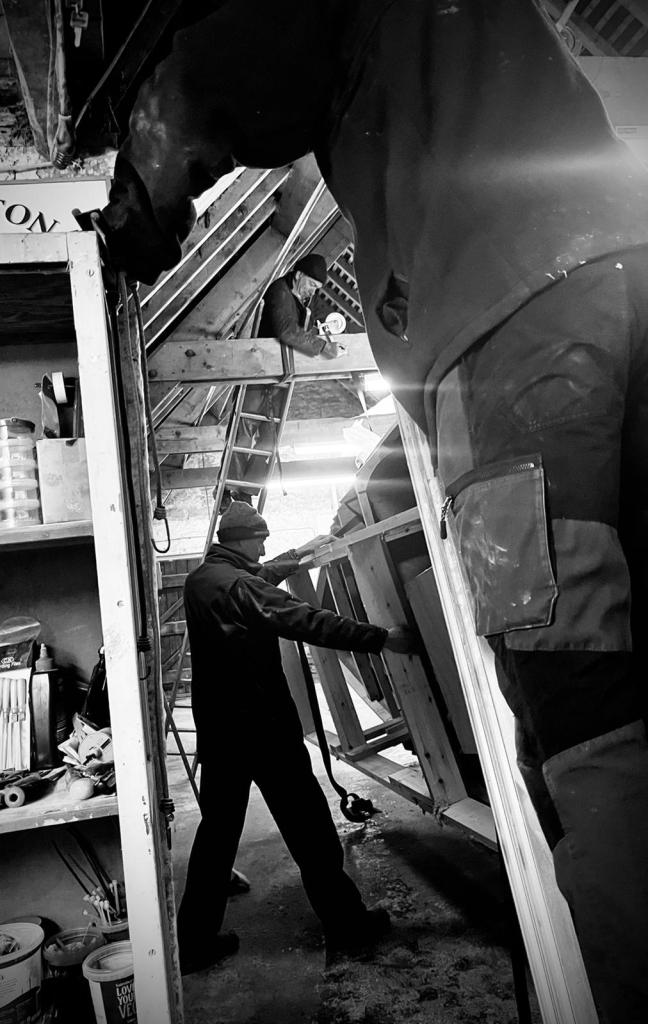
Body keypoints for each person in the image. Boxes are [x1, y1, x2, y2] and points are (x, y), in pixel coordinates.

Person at [89, 2, 648, 1017]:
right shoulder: (239, 583)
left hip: (505, 324)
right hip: (621, 246)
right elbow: (288, 607)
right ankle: (276, 921)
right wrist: (367, 622)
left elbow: (228, 60)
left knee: (581, 719)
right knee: (260, 820)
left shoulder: (223, 577)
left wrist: (145, 177)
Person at [177, 501, 413, 974]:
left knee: (217, 835)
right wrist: (380, 638)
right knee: (310, 828)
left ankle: (193, 943)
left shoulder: (203, 578)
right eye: (260, 538)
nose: (263, 545)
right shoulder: (243, 585)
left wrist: (297, 554)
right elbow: (303, 618)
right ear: (242, 538)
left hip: (220, 731)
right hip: (262, 729)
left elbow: (260, 578)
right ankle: (348, 924)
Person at [223, 253, 342, 506]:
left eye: (317, 289)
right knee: (243, 433)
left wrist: (314, 338)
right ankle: (229, 487)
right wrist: (321, 347)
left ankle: (246, 492)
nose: (312, 292)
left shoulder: (300, 303)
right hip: (259, 374)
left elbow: (295, 332)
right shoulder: (280, 291)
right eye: (311, 284)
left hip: (279, 380)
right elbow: (286, 331)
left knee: (270, 439)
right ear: (299, 275)